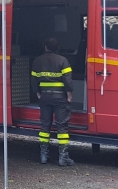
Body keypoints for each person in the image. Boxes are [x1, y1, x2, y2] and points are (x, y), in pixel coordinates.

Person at [32, 37, 74, 166]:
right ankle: (63, 158)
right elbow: (67, 80)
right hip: (59, 97)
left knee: (45, 126)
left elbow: (34, 80)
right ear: (57, 48)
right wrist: (69, 95)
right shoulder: (63, 60)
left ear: (45, 47)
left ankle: (43, 156)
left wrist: (37, 93)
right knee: (62, 126)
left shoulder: (37, 60)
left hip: (44, 97)